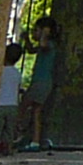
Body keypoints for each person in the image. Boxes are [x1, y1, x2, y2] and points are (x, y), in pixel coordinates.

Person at [18, 15, 58, 151]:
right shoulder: (43, 47)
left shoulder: (49, 45)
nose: (34, 33)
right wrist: (27, 39)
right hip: (41, 81)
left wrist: (44, 34)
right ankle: (34, 141)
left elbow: (42, 45)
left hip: (42, 82)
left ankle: (16, 132)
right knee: (36, 112)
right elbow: (31, 50)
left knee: (23, 106)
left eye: (36, 30)